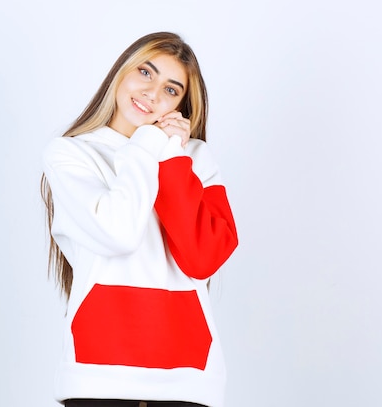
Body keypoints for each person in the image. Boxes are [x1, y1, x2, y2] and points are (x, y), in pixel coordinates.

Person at [41, 31, 238, 407]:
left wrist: (172, 159)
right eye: (145, 73)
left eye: (171, 89)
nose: (152, 93)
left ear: (181, 105)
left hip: (188, 373)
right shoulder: (71, 154)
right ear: (121, 74)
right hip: (100, 371)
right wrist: (146, 145)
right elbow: (119, 232)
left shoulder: (193, 157)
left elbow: (203, 259)